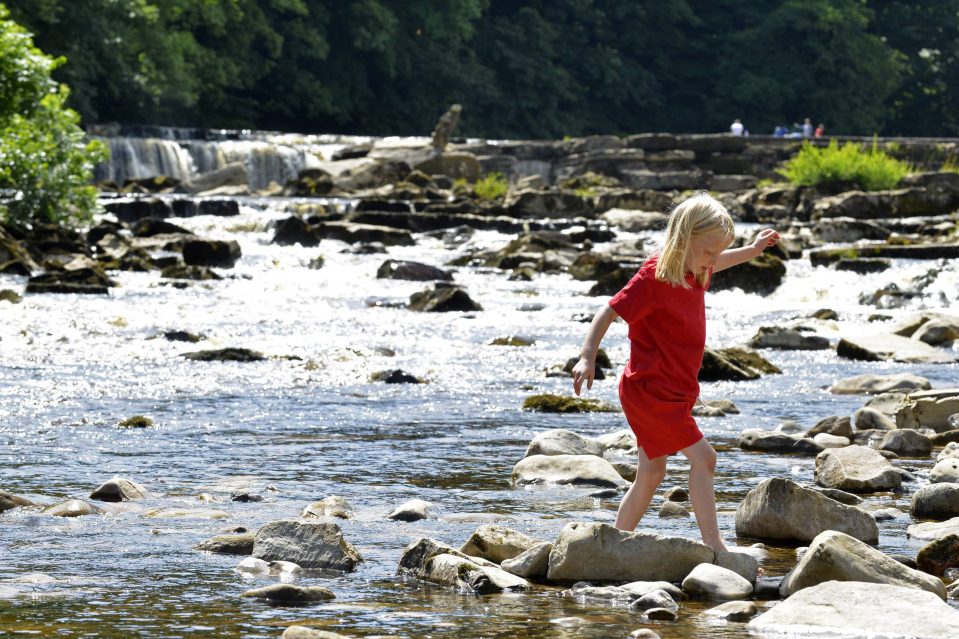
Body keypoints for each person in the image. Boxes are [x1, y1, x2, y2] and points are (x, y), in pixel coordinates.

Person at [571, 194, 780, 552]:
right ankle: (715, 546)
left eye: (717, 254)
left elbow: (723, 260)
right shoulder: (653, 277)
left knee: (651, 474)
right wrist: (587, 357)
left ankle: (614, 544)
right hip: (650, 390)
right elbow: (607, 313)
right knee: (705, 459)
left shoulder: (697, 268)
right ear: (685, 240)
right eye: (709, 252)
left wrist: (754, 249)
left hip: (673, 389)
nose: (714, 262)